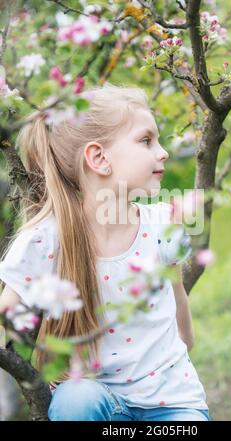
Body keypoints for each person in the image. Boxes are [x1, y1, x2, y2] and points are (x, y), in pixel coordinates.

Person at [0, 82, 209, 421]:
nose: (163, 151)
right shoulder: (47, 238)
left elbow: (177, 299)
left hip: (171, 402)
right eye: (146, 140)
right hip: (96, 398)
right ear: (99, 158)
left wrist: (179, 356)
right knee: (75, 399)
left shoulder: (162, 225)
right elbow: (8, 310)